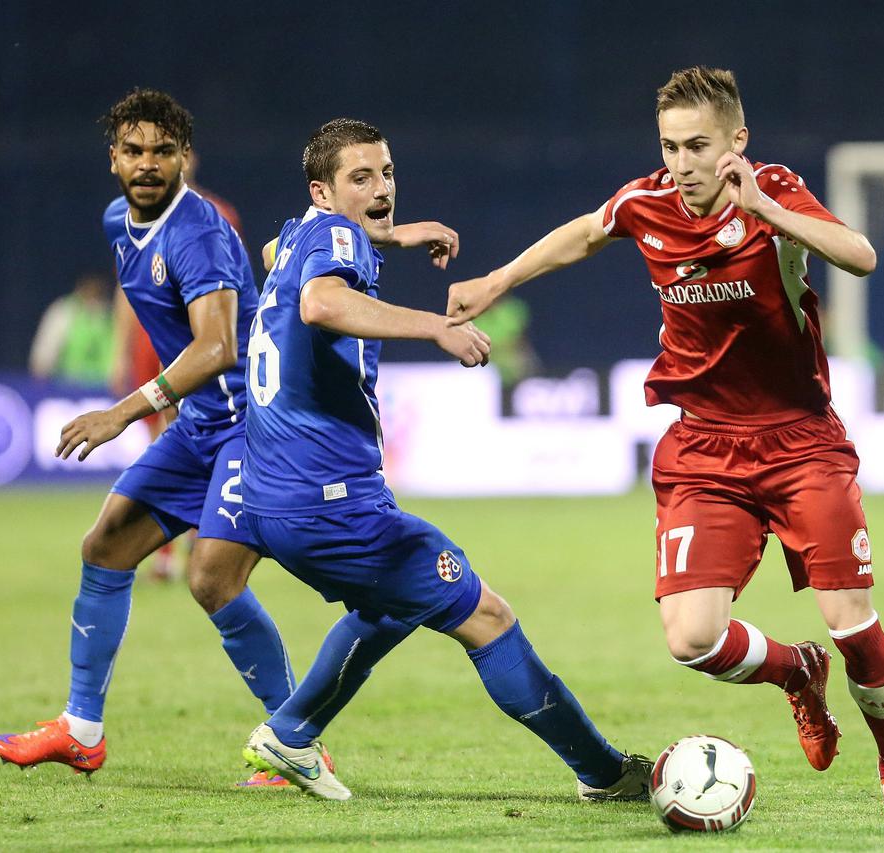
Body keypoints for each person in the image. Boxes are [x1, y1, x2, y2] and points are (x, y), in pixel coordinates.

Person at [446, 67, 884, 821]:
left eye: (698, 145)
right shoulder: (648, 203)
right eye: (670, 146)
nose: (682, 163)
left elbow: (860, 254)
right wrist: (499, 279)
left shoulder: (774, 190)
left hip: (801, 442)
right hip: (704, 448)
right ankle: (797, 672)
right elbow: (585, 232)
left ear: (736, 141)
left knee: (853, 622)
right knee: (693, 638)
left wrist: (765, 207)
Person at [238, 118, 650, 802]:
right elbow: (319, 300)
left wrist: (392, 234)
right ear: (323, 190)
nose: (381, 188)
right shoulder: (332, 241)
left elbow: (276, 250)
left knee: (395, 604)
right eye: (360, 178)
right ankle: (605, 774)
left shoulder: (300, 235)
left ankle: (292, 729)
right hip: (329, 502)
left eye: (387, 173)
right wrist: (436, 326)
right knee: (485, 614)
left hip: (279, 498)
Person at [0, 89, 302, 787]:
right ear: (113, 160)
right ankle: (81, 730)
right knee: (105, 545)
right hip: (199, 428)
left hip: (251, 428)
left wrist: (123, 410)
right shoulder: (117, 221)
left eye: (163, 151)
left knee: (211, 578)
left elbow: (218, 345)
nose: (148, 163)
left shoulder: (201, 230)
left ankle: (295, 738)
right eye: (134, 150)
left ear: (183, 158)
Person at [29, 272, 115, 386]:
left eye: (98, 290)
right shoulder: (63, 311)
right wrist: (40, 382)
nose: (93, 292)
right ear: (80, 287)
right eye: (89, 288)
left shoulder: (115, 313)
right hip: (66, 389)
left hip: (108, 390)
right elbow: (43, 356)